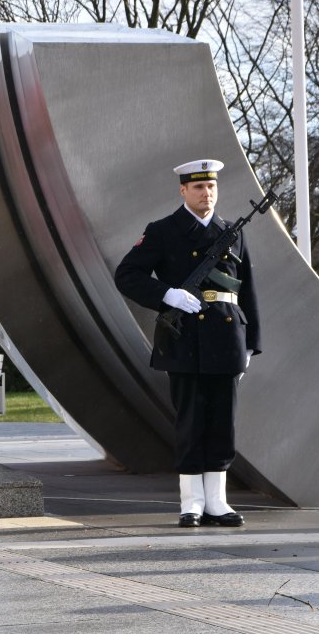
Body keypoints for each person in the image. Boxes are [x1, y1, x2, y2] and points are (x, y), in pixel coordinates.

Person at [114, 159, 261, 528]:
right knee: (191, 419)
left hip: (227, 337)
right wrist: (168, 295)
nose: (206, 193)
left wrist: (250, 343)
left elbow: (247, 289)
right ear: (183, 190)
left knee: (222, 422)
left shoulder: (232, 231)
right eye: (198, 187)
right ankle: (192, 503)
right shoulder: (163, 230)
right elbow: (127, 275)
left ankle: (217, 502)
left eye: (211, 186)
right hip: (184, 339)